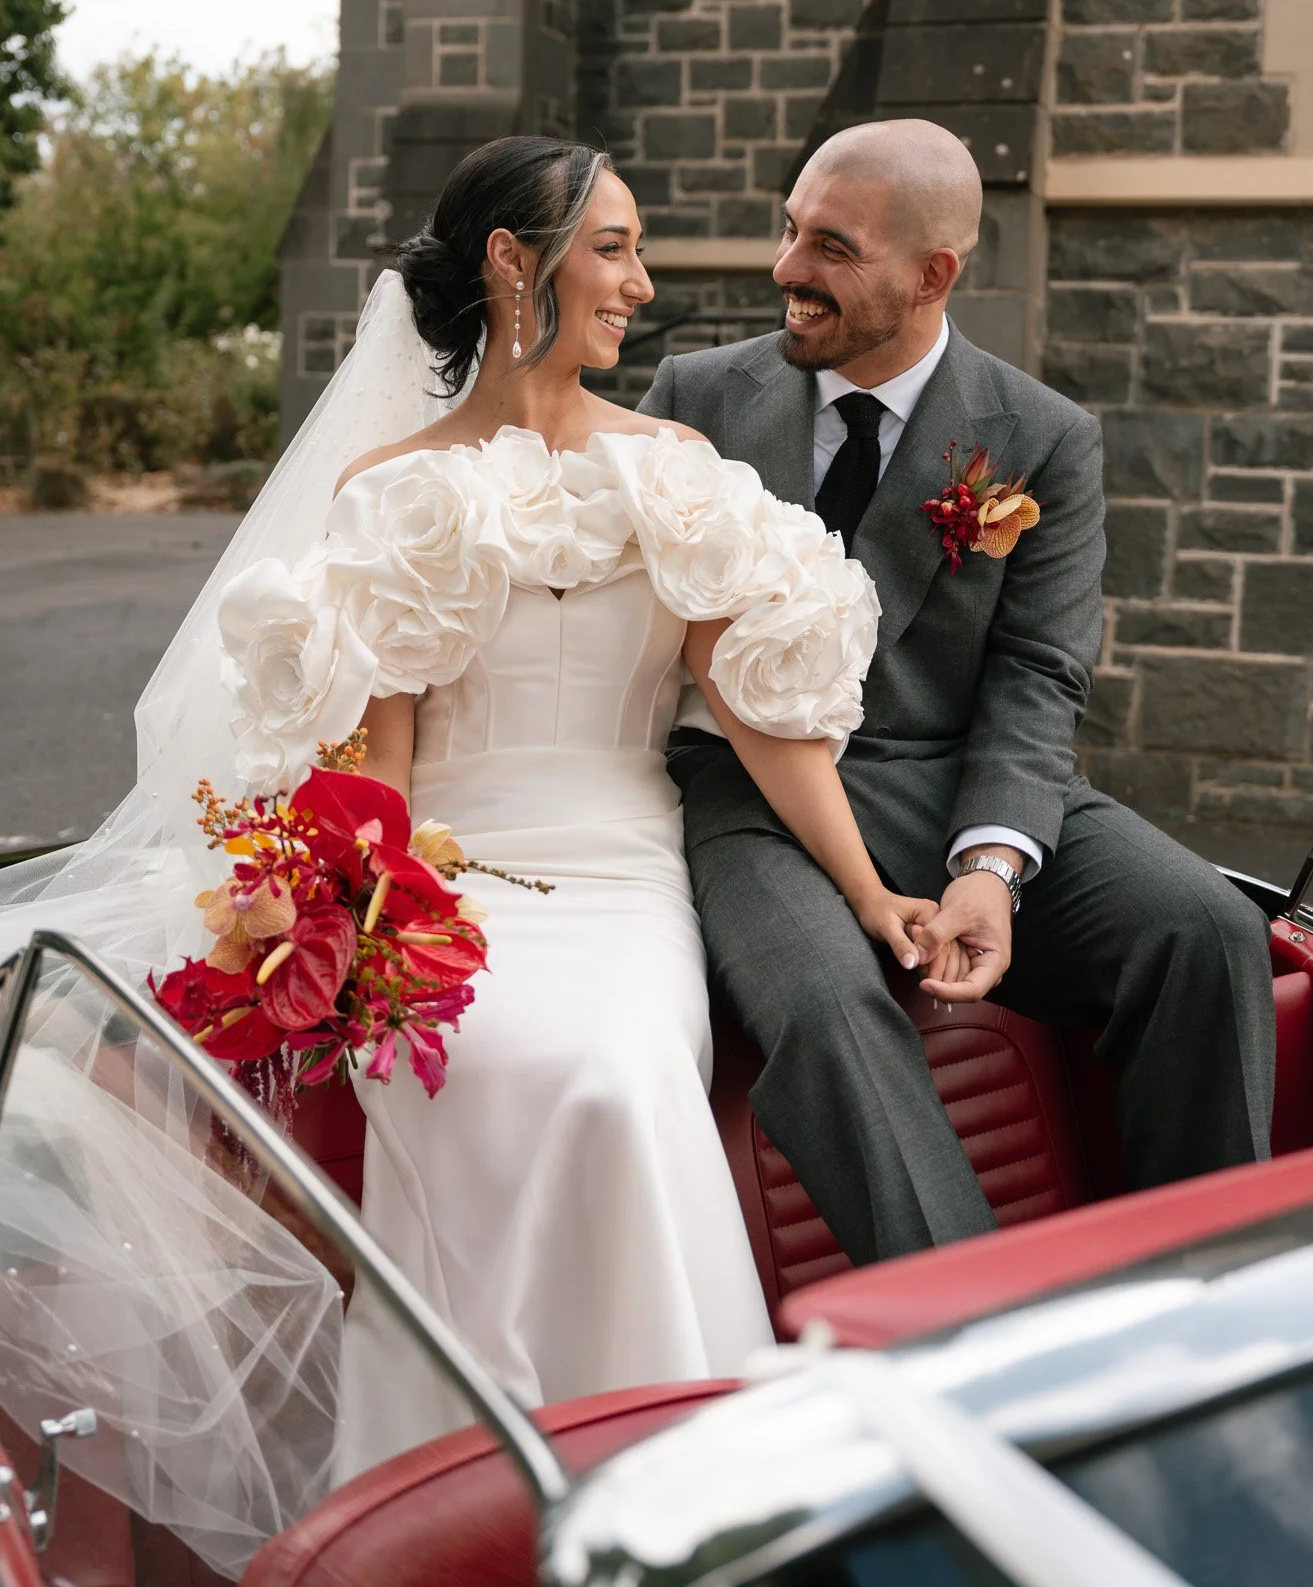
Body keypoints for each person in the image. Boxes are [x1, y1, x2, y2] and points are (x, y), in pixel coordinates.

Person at [207, 131, 942, 1447]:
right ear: (512, 261)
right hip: (454, 881)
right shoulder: (390, 493)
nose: (640, 283)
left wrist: (873, 892)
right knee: (469, 1061)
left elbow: (766, 719)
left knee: (608, 1069)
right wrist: (363, 926)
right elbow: (380, 758)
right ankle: (460, 1467)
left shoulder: (674, 473)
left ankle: (653, 1453)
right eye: (614, 247)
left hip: (617, 878)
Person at [638, 117, 1277, 1266]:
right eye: (788, 230)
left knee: (1205, 928)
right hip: (749, 790)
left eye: (829, 246)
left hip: (957, 776)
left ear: (933, 274)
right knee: (832, 1010)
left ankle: (1210, 1296)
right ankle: (980, 1325)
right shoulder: (696, 394)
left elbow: (1039, 671)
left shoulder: (1044, 435)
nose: (787, 269)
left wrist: (991, 868)